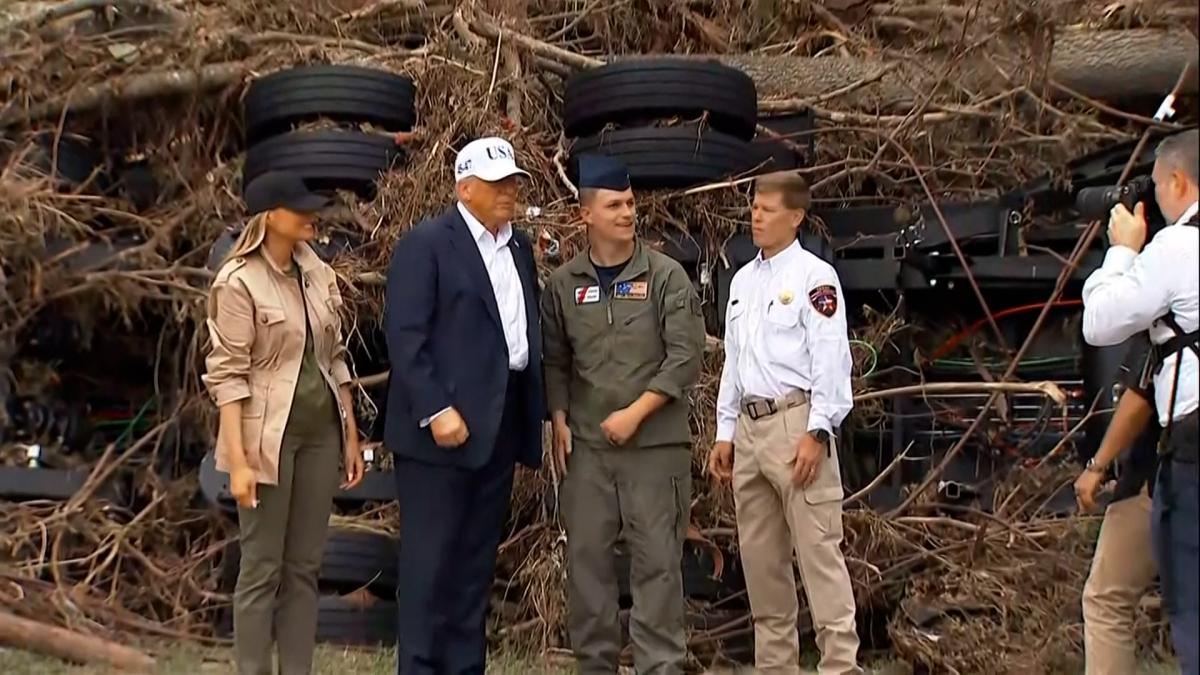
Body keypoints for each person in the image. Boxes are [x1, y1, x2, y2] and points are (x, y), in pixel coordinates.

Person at [382, 136, 546, 675]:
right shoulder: (427, 243)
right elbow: (406, 336)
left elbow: (521, 336)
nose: (509, 192)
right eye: (498, 184)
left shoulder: (518, 247)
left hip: (496, 430)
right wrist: (435, 408)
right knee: (431, 570)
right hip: (440, 437)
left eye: (513, 182)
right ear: (465, 187)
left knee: (474, 570)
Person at [540, 155, 705, 674]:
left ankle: (661, 668)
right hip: (587, 452)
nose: (627, 213)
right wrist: (559, 417)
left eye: (631, 203)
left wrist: (637, 413)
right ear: (586, 214)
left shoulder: (665, 277)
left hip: (654, 452)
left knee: (657, 571)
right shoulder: (564, 285)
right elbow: (555, 360)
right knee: (588, 572)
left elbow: (686, 357)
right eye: (614, 205)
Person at [202, 170, 366, 675]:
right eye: (300, 208)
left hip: (320, 436)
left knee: (304, 568)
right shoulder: (237, 282)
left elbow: (334, 356)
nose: (312, 216)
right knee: (261, 569)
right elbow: (226, 378)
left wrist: (352, 435)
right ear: (271, 217)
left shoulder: (316, 270)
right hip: (265, 440)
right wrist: (240, 463)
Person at [707, 171, 861, 675]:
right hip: (750, 429)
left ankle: (840, 665)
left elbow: (831, 360)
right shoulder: (744, 281)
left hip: (795, 422)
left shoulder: (814, 277)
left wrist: (819, 432)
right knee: (762, 565)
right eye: (754, 206)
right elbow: (735, 359)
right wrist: (725, 431)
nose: (756, 215)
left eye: (768, 209)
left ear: (795, 217)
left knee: (819, 556)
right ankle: (776, 668)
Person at [1081, 128, 1199, 675]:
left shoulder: (1177, 247)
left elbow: (1100, 322)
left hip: (1190, 451)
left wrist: (1124, 251)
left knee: (1191, 608)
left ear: (1178, 180)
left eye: (1156, 185)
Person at [1075, 335, 1162, 675]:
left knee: (1106, 600)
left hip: (1164, 476)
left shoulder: (1170, 304)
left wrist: (1097, 466)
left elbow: (1142, 395)